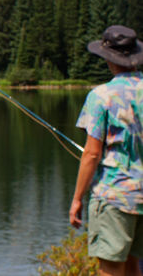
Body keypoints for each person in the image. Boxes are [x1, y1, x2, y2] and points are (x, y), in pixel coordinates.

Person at [70, 25, 143, 276]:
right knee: (135, 267)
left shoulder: (101, 96)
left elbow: (91, 154)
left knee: (111, 269)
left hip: (115, 198)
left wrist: (78, 198)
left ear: (108, 59)